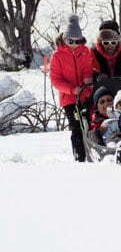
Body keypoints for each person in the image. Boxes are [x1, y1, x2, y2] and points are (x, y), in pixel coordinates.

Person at [49, 15, 95, 162]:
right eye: (70, 41)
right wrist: (71, 89)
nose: (74, 44)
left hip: (85, 95)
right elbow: (55, 79)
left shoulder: (85, 52)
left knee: (89, 125)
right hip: (68, 98)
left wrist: (88, 85)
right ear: (64, 39)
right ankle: (79, 157)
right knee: (76, 127)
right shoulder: (57, 56)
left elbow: (88, 71)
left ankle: (92, 154)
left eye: (78, 41)